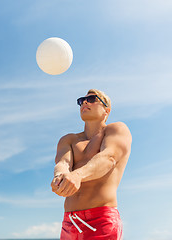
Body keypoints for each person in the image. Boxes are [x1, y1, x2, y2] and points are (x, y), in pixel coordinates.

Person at [51, 89, 132, 240]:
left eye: (92, 99)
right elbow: (63, 163)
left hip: (101, 220)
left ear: (106, 110)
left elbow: (109, 158)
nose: (85, 102)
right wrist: (59, 176)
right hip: (70, 222)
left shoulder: (116, 129)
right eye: (82, 101)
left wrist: (77, 175)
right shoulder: (68, 139)